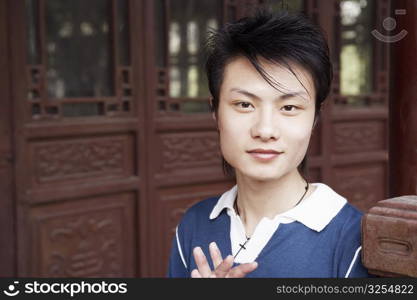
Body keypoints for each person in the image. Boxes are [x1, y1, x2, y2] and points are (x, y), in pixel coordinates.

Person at [167, 9, 370, 278]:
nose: (265, 130)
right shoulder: (195, 224)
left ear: (315, 118)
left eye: (288, 107)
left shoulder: (354, 240)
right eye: (244, 104)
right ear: (215, 112)